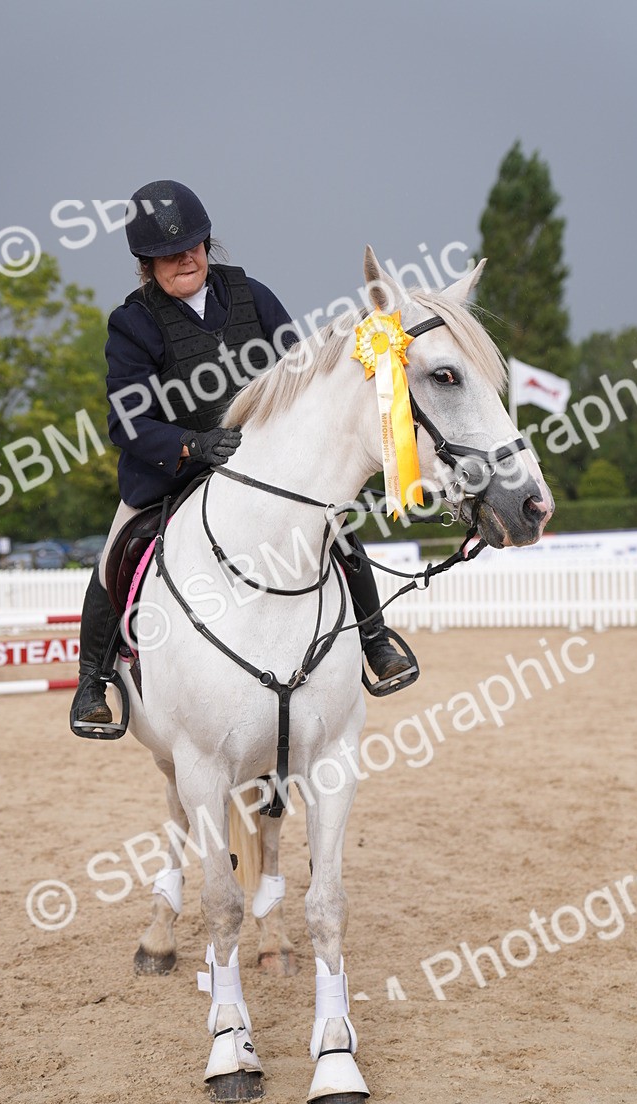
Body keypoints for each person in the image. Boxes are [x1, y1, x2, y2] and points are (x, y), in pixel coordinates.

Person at [70, 180, 414, 732]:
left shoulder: (252, 296)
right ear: (147, 264)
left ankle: (374, 638)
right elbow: (127, 421)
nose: (186, 259)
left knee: (334, 524)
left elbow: (299, 373)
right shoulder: (132, 324)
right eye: (169, 254)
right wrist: (191, 445)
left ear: (207, 243)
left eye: (193, 246)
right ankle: (93, 679)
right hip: (174, 471)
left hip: (262, 466)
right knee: (119, 548)